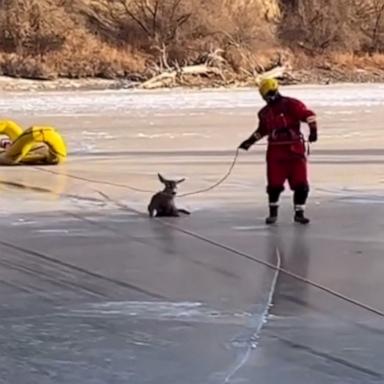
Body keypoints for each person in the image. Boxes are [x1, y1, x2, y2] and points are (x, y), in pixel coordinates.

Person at [239, 78, 318, 225]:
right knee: (274, 185)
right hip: (276, 153)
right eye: (265, 96)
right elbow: (262, 130)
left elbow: (308, 115)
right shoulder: (264, 113)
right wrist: (249, 142)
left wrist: (313, 131)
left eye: (270, 94)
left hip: (295, 152)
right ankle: (272, 214)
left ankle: (299, 213)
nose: (268, 98)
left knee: (301, 184)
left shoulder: (292, 105)